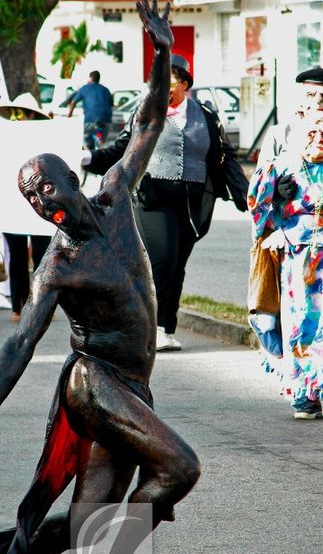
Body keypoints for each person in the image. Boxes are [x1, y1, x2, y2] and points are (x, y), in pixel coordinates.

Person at [0, 0, 200, 554]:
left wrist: (163, 52)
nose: (40, 200)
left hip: (130, 384)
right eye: (30, 199)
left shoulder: (118, 193)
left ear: (71, 177)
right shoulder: (59, 266)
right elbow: (21, 341)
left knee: (80, 523)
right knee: (178, 467)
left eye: (44, 186)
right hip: (95, 384)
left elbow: (148, 122)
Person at [83, 54, 248, 351]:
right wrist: (90, 158)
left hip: (191, 200)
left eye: (169, 83)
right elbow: (122, 149)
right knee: (163, 259)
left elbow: (225, 157)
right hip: (152, 197)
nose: (162, 89)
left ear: (184, 84)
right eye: (156, 83)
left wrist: (246, 193)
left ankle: (166, 327)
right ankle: (152, 328)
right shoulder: (146, 113)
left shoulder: (206, 116)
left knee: (178, 265)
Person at [248, 112, 323, 419]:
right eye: (312, 133)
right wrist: (275, 201)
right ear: (299, 136)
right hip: (297, 255)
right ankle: (305, 394)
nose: (320, 139)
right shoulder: (282, 165)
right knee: (302, 322)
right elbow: (256, 202)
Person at [248, 67, 323, 355]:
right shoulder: (281, 133)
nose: (318, 101)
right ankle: (299, 379)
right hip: (288, 237)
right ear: (300, 98)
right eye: (311, 94)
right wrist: (276, 192)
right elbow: (259, 186)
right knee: (294, 309)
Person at [0, 93, 53, 320]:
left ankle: (42, 304)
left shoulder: (45, 140)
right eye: (15, 114)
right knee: (17, 255)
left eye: (23, 114)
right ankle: (18, 306)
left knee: (42, 255)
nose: (19, 118)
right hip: (12, 204)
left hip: (40, 203)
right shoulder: (3, 140)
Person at [67, 70, 113, 150]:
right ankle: (99, 142)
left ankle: (88, 150)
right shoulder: (106, 90)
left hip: (90, 119)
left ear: (90, 78)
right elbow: (111, 105)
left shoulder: (85, 88)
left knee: (87, 141)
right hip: (105, 120)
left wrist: (69, 116)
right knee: (99, 139)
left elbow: (73, 102)